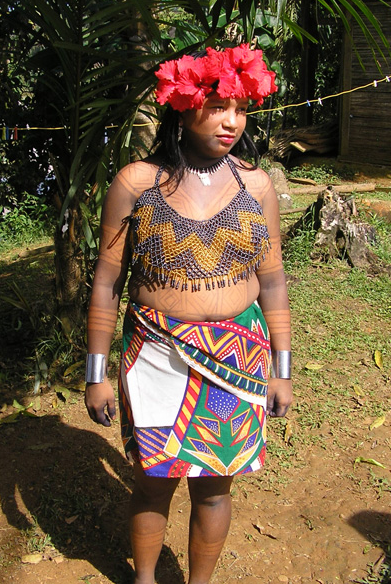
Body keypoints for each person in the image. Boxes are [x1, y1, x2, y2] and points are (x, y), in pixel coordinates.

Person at [85, 44, 293, 584]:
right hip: (154, 355)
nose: (231, 121)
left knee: (215, 482)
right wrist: (96, 375)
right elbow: (107, 282)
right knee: (153, 478)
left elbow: (271, 280)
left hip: (238, 357)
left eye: (241, 108)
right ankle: (145, 579)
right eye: (219, 105)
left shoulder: (257, 185)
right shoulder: (137, 182)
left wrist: (283, 369)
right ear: (184, 103)